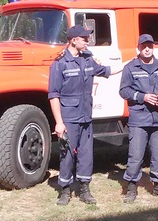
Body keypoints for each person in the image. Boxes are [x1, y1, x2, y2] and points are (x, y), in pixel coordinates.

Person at [48, 25, 117, 206]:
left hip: (86, 116)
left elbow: (107, 71)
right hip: (69, 117)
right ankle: (65, 190)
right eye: (84, 38)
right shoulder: (59, 63)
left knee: (86, 155)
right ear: (73, 40)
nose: (88, 41)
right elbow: (54, 95)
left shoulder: (87, 60)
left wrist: (130, 63)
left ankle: (84, 189)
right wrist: (59, 123)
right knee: (67, 154)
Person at [119, 34, 158, 202]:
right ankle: (131, 188)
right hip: (139, 117)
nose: (147, 49)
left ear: (153, 47)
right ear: (138, 48)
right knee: (136, 155)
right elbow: (123, 91)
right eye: (144, 46)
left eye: (150, 46)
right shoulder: (130, 67)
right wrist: (142, 97)